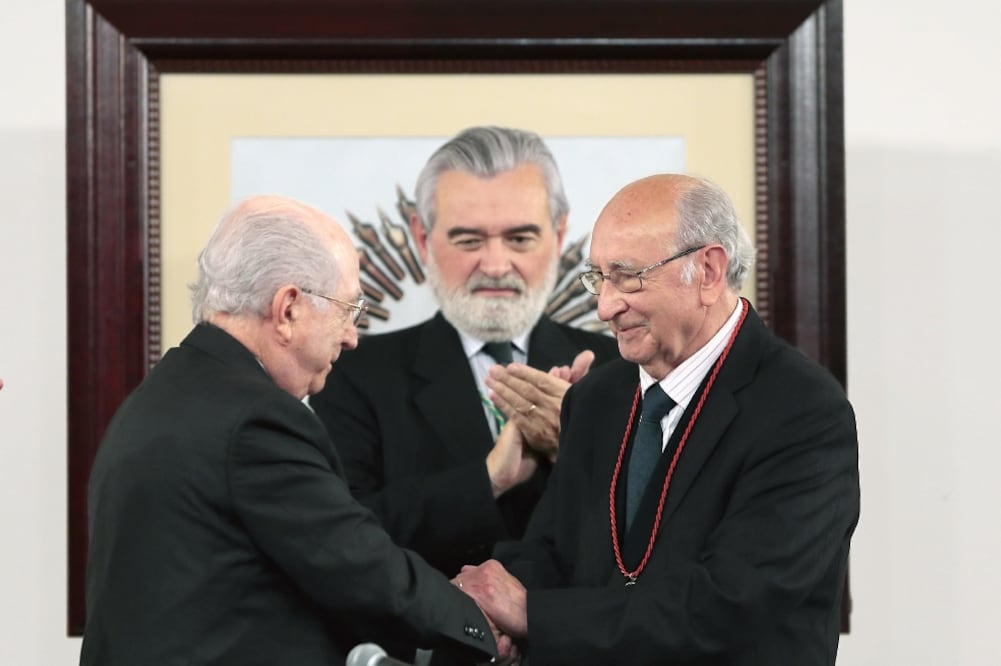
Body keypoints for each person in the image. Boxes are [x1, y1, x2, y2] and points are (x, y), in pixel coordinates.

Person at [458, 174, 861, 665]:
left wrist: (533, 614)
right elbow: (552, 550)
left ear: (709, 271)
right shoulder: (597, 398)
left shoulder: (802, 411)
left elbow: (729, 606)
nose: (606, 306)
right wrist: (487, 607)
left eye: (628, 276)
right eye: (598, 278)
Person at [80, 196, 500, 666]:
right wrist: (481, 624)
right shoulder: (254, 419)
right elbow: (357, 563)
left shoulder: (167, 393)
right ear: (288, 309)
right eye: (348, 310)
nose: (352, 336)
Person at [310, 126, 619, 579]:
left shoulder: (620, 367)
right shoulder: (353, 373)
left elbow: (664, 536)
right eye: (469, 240)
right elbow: (339, 539)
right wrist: (489, 479)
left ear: (559, 233)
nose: (495, 265)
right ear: (421, 237)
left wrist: (577, 447)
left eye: (519, 239)